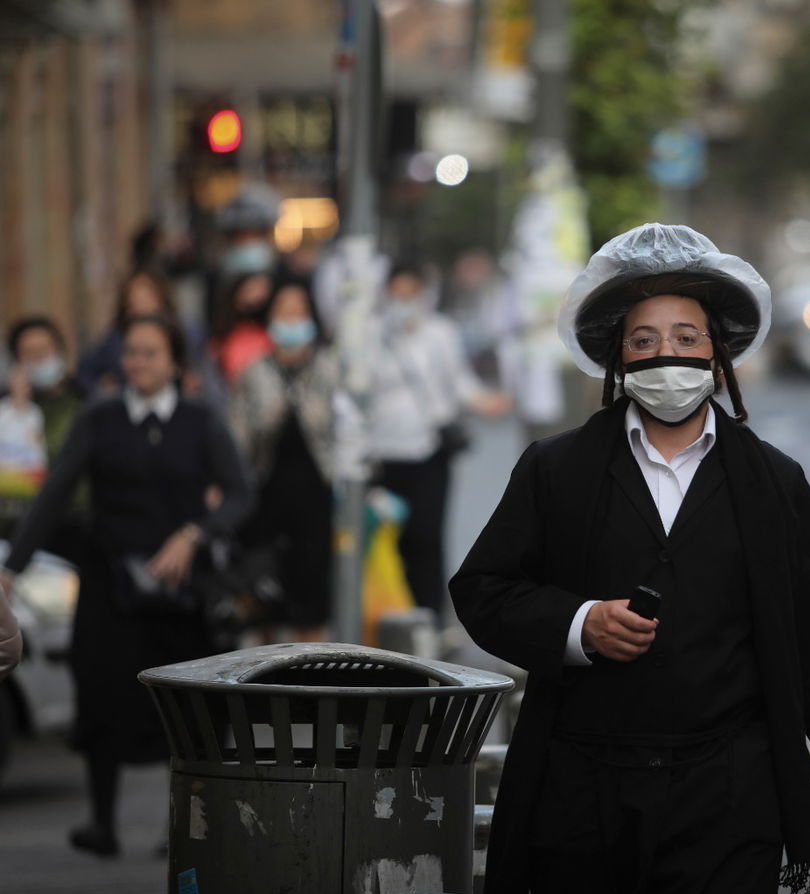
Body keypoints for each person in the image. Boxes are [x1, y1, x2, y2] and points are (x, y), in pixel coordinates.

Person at [450, 223, 810, 894]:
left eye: (688, 337)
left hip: (729, 797)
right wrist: (579, 625)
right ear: (617, 361)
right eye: (645, 340)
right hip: (582, 794)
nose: (668, 354)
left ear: (719, 358)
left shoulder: (775, 483)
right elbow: (483, 590)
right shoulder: (556, 469)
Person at [0, 314, 253, 858]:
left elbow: (238, 493)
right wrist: (12, 566)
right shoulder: (100, 418)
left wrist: (194, 536)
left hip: (180, 593)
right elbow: (56, 493)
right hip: (110, 583)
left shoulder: (200, 420)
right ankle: (102, 822)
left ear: (175, 362)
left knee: (187, 711)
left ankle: (182, 824)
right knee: (104, 696)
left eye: (151, 353)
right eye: (131, 353)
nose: (139, 363)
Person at [365, 261, 507, 616]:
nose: (403, 302)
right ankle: (388, 616)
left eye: (410, 294)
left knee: (426, 536)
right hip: (381, 454)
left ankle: (429, 617)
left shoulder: (440, 333)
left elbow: (459, 382)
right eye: (396, 294)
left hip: (429, 450)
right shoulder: (371, 335)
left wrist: (484, 400)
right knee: (384, 539)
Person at [227, 277, 361, 642]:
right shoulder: (254, 372)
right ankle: (264, 679)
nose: (291, 319)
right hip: (264, 495)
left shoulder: (330, 369)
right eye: (283, 311)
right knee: (265, 595)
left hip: (316, 496)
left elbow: (349, 433)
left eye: (298, 310)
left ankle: (311, 676)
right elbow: (236, 437)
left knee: (312, 592)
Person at [0, 318, 87, 555]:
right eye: (29, 353)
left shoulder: (84, 403)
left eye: (44, 350)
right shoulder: (7, 411)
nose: (38, 359)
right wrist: (17, 413)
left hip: (76, 527)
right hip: (18, 529)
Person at [75, 270, 176, 396]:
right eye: (134, 306)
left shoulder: (177, 335)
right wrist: (102, 389)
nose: (141, 363)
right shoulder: (114, 340)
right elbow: (85, 373)